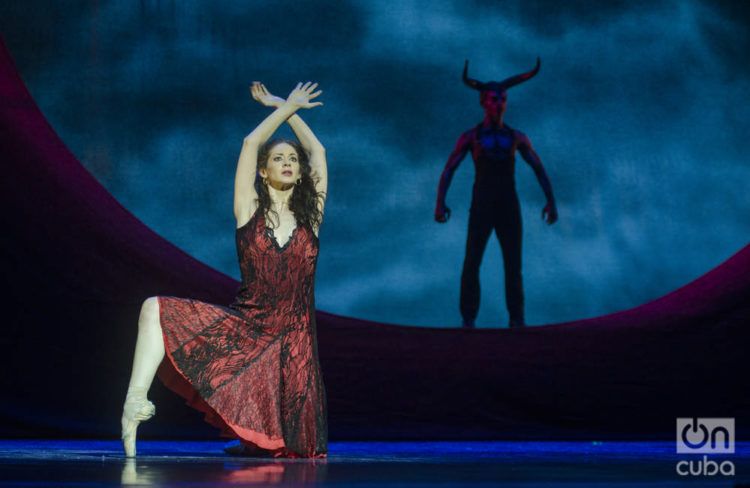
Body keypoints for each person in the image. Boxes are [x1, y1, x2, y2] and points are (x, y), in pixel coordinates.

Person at [120, 81, 328, 458]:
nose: (288, 163)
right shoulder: (248, 210)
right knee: (153, 308)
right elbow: (251, 144)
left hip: (294, 343)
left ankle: (253, 442)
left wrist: (286, 105)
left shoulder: (310, 218)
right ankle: (135, 403)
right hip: (248, 328)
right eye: (279, 159)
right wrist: (284, 108)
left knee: (301, 449)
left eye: (292, 161)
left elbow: (317, 150)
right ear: (263, 173)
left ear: (300, 174)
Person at [434, 59, 557, 328]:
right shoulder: (470, 137)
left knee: (513, 265)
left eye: (502, 98)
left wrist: (551, 201)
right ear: (483, 102)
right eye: (493, 98)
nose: (499, 102)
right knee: (472, 262)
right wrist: (439, 202)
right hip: (481, 205)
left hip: (508, 206)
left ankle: (517, 320)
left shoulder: (517, 137)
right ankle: (468, 320)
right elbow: (449, 169)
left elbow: (539, 168)